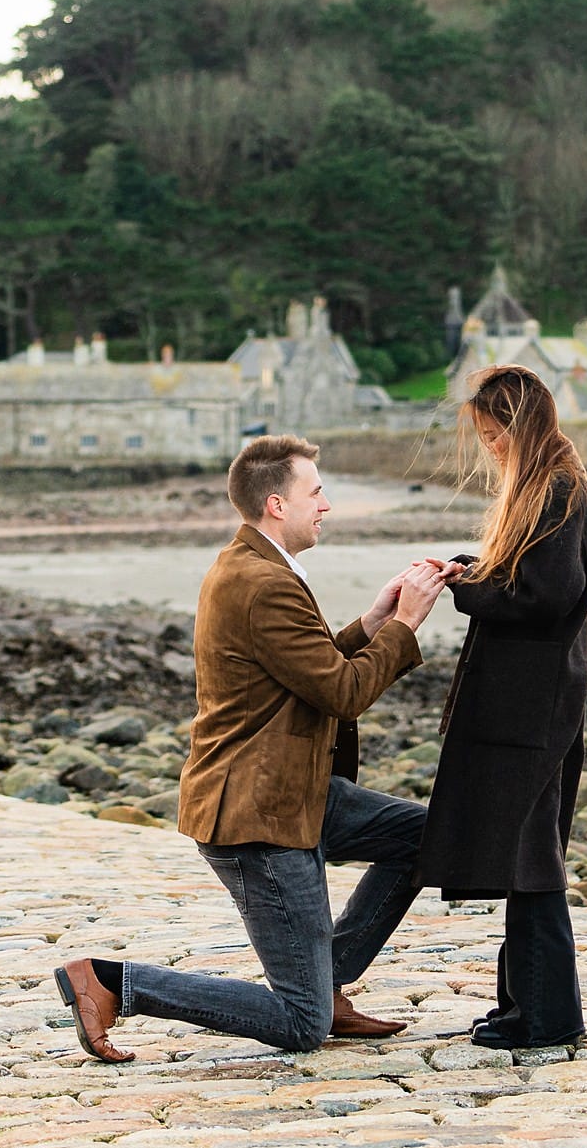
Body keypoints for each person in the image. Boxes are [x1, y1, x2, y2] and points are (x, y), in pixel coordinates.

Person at [54, 434, 450, 1061]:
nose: (326, 504)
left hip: (296, 793)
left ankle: (329, 980)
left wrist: (374, 621)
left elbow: (309, 670)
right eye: (314, 492)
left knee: (432, 838)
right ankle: (110, 984)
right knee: (299, 1024)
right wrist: (406, 627)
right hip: (257, 814)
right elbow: (342, 693)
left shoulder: (257, 569)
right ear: (275, 504)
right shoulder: (262, 582)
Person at [416, 363, 587, 1048]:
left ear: (518, 427)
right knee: (529, 853)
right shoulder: (549, 482)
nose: (490, 447)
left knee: (532, 855)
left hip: (535, 697)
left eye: (495, 435)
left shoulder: (554, 486)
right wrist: (477, 568)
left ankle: (546, 1017)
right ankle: (526, 1006)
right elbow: (531, 578)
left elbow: (548, 597)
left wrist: (468, 591)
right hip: (533, 692)